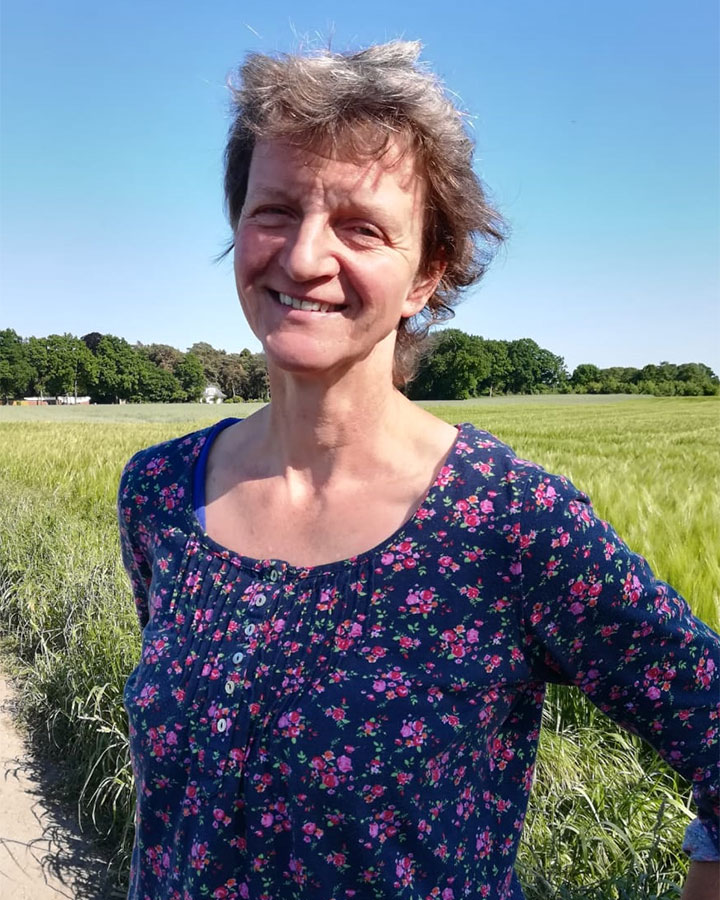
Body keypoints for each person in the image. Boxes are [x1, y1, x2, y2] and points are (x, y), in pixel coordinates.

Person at [118, 40, 719, 900]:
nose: (304, 257)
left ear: (426, 275)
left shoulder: (508, 522)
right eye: (274, 211)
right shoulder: (161, 493)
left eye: (361, 227)